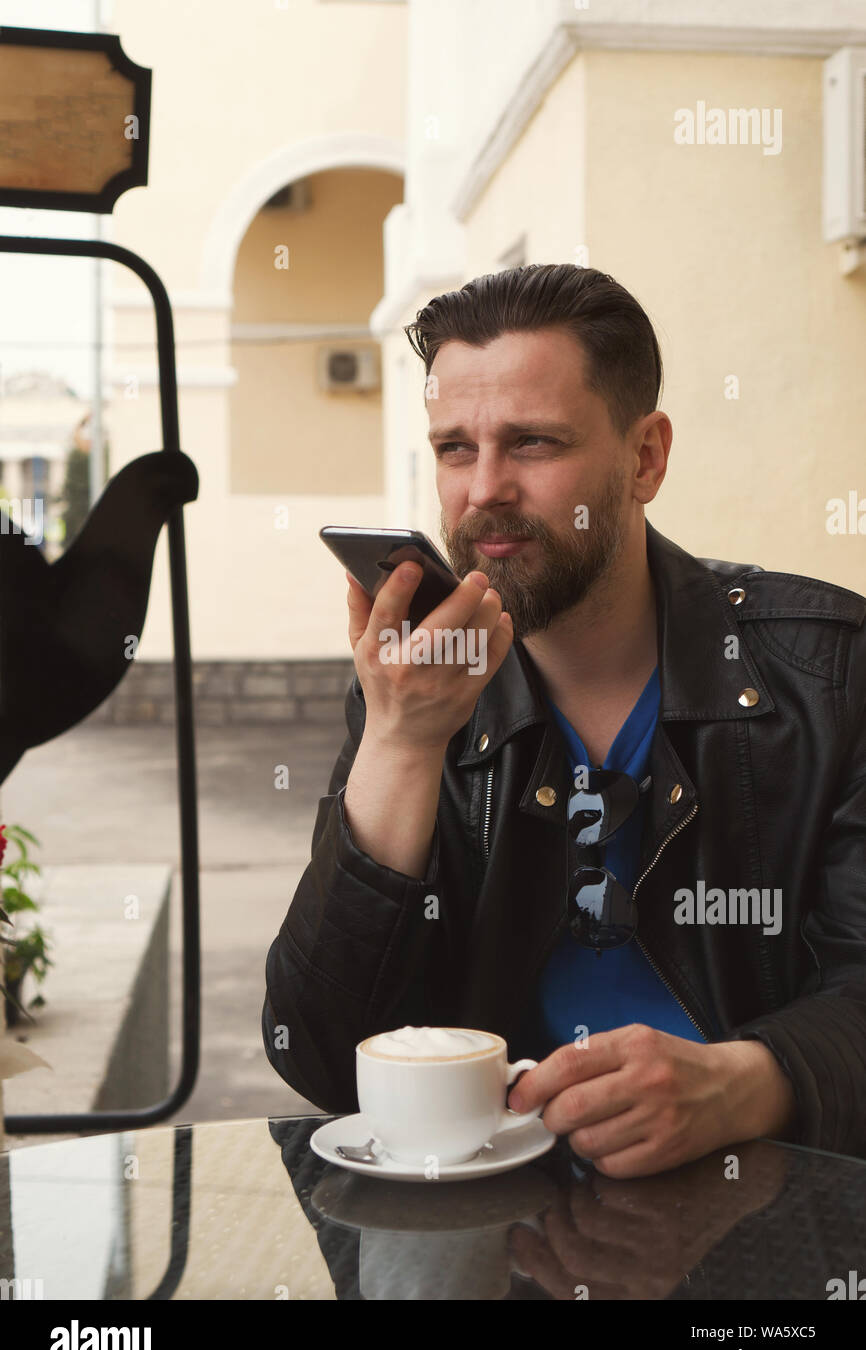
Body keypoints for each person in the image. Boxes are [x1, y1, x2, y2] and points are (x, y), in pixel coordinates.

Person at [263, 263, 866, 1177]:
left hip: (769, 1222)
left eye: (533, 443)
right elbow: (319, 1050)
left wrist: (747, 1081)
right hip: (495, 1231)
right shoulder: (423, 696)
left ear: (645, 458)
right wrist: (399, 742)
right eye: (455, 449)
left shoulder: (827, 673)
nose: (484, 490)